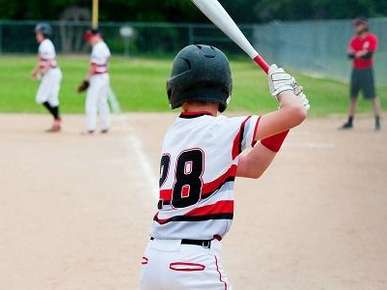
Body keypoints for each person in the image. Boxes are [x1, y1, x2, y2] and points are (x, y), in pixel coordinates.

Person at [139, 45, 309, 290]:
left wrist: (286, 119)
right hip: (194, 267)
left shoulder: (176, 133)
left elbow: (252, 166)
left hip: (152, 262)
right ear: (224, 88)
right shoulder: (222, 131)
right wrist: (285, 90)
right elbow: (296, 112)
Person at [340, 17, 381, 131]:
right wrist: (361, 53)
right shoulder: (354, 40)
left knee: (372, 96)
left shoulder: (371, 38)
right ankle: (350, 121)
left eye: (358, 25)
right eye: (356, 25)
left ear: (365, 26)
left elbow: (368, 55)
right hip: (356, 70)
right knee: (353, 96)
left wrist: (358, 53)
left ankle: (377, 120)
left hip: (367, 70)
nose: (356, 27)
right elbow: (349, 55)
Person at [78, 29, 111, 134]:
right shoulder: (104, 45)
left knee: (91, 102)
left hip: (97, 78)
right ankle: (105, 126)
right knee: (102, 101)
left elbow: (94, 66)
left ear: (97, 36)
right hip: (105, 76)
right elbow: (107, 61)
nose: (89, 40)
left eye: (90, 37)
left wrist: (86, 80)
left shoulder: (97, 48)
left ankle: (91, 128)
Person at [31, 22, 63, 133]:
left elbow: (49, 61)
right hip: (54, 73)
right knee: (53, 99)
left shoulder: (45, 44)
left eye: (38, 33)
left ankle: (57, 118)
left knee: (40, 98)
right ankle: (57, 122)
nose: (37, 36)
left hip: (51, 74)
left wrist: (41, 73)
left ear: (43, 34)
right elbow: (41, 60)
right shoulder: (45, 44)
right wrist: (35, 71)